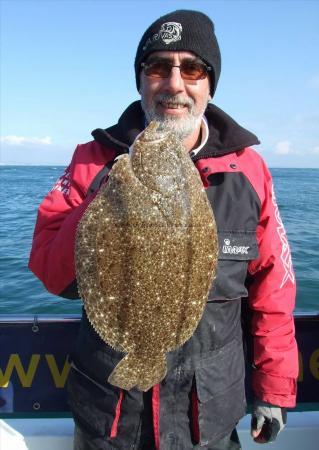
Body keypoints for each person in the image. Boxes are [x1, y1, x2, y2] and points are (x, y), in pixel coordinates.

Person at [29, 9, 298, 450]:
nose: (175, 83)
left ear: (209, 86)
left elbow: (275, 290)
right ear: (140, 81)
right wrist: (110, 198)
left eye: (192, 69)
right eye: (158, 67)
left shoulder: (248, 171)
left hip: (206, 415)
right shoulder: (94, 160)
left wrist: (274, 388)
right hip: (110, 416)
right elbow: (50, 272)